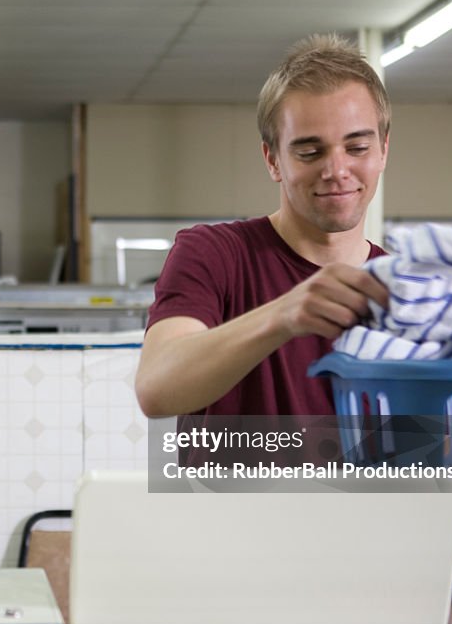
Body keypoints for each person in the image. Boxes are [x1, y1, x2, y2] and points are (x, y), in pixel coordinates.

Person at [136, 34, 391, 419]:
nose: (336, 170)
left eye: (357, 148)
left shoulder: (405, 291)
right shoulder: (215, 254)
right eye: (309, 151)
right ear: (272, 160)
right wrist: (284, 315)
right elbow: (156, 388)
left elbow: (445, 445)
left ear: (383, 150)